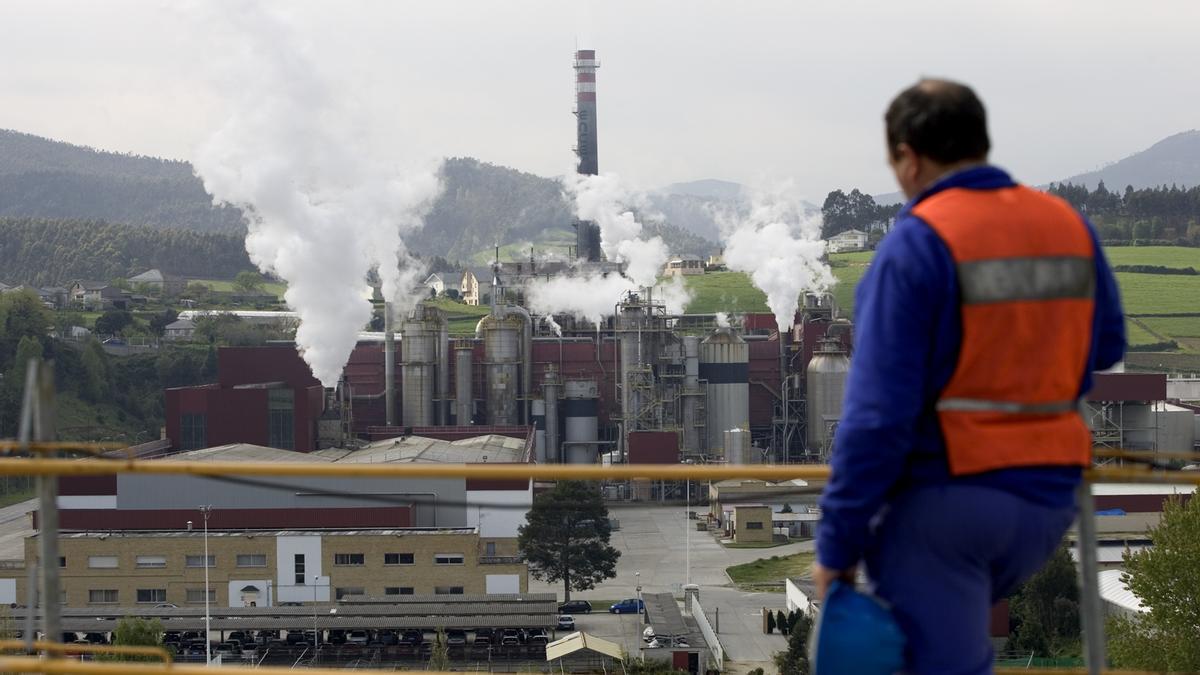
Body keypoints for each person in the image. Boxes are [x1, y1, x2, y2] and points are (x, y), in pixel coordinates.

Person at [813, 79, 1125, 674]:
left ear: (908, 156)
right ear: (980, 141)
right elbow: (1107, 344)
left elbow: (876, 420)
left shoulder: (917, 243)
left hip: (949, 504)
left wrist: (835, 547)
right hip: (1048, 499)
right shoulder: (1065, 225)